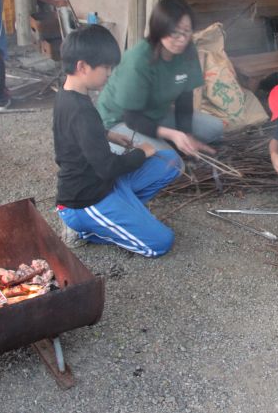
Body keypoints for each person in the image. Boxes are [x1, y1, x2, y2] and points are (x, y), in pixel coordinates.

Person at [53, 25, 182, 256]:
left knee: (170, 161)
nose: (109, 73)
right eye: (105, 67)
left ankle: (123, 214)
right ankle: (84, 231)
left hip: (105, 186)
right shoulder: (80, 111)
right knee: (161, 243)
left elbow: (77, 133)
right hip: (86, 200)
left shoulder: (68, 95)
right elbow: (108, 167)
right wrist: (141, 152)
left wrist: (108, 134)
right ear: (82, 66)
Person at [96, 0, 223, 156]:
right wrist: (174, 134)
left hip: (156, 114)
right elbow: (132, 118)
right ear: (159, 29)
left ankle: (162, 142)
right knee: (170, 161)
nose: (182, 40)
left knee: (215, 129)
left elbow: (185, 99)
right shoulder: (138, 60)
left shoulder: (188, 52)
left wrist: (187, 135)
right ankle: (116, 147)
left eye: (187, 31)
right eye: (175, 33)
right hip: (120, 122)